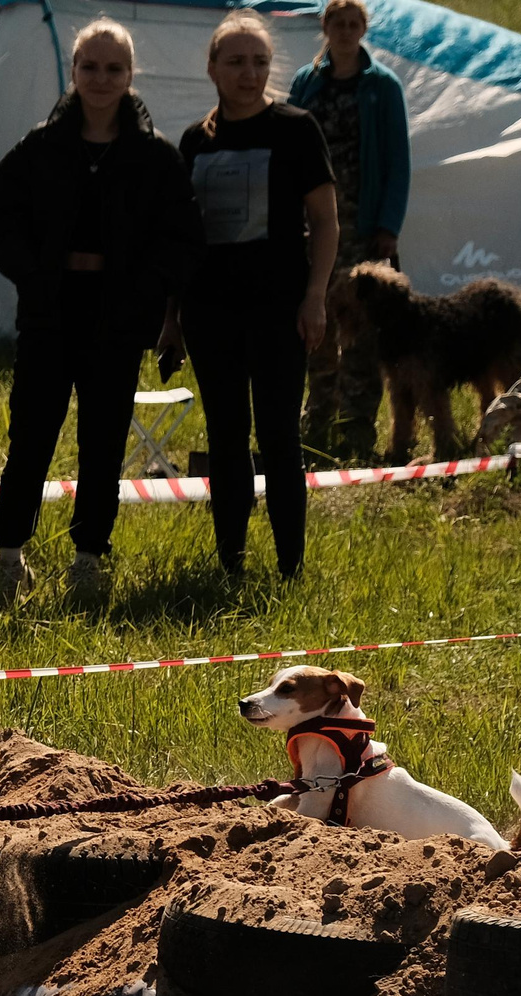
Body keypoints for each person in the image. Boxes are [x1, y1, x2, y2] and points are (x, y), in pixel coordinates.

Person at [0, 16, 201, 607]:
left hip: (118, 320)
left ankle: (88, 560)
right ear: (73, 71)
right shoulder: (40, 147)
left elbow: (180, 237)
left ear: (132, 75)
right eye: (91, 66)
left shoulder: (155, 159)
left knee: (102, 443)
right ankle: (9, 557)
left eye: (114, 68)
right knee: (30, 437)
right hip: (49, 314)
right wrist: (36, 272)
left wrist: (144, 292)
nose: (102, 78)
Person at [169, 12, 336, 579]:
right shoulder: (194, 141)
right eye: (236, 61)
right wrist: (171, 320)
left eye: (259, 61)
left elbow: (327, 223)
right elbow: (180, 240)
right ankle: (231, 563)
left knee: (280, 436)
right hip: (209, 313)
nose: (249, 72)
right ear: (212, 67)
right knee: (225, 436)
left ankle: (290, 566)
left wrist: (315, 297)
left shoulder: (296, 129)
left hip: (280, 310)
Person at [289, 0, 406, 465]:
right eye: (336, 22)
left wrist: (388, 227)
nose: (344, 30)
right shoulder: (306, 82)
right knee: (312, 324)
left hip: (361, 226)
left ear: (364, 29)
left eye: (353, 23)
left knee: (360, 331)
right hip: (309, 226)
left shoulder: (382, 87)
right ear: (325, 26)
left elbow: (398, 162)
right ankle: (317, 422)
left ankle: (357, 428)